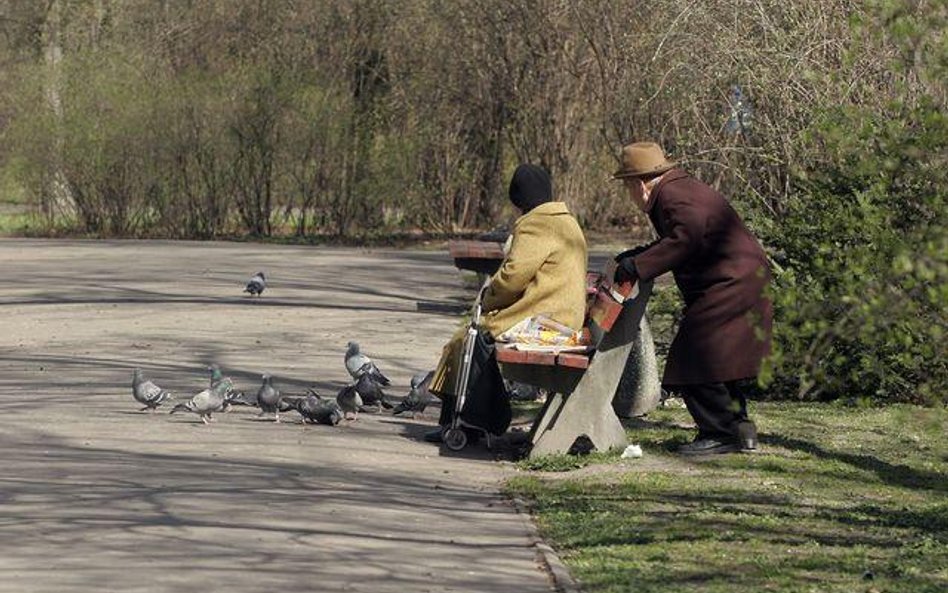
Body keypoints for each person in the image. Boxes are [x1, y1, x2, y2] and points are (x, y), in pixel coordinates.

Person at [612, 141, 772, 455]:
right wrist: (638, 255)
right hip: (741, 280)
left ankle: (720, 433)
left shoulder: (673, 195)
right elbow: (684, 237)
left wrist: (639, 266)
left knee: (692, 358)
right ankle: (740, 429)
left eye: (628, 188)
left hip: (730, 283)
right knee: (721, 360)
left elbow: (687, 237)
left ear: (640, 183)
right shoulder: (677, 190)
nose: (630, 196)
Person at [426, 164, 588, 442]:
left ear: (520, 199)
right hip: (561, 317)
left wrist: (488, 299)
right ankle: (468, 420)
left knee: (471, 337)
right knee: (472, 337)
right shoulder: (566, 221)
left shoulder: (538, 224)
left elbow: (513, 276)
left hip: (547, 322)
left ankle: (475, 421)